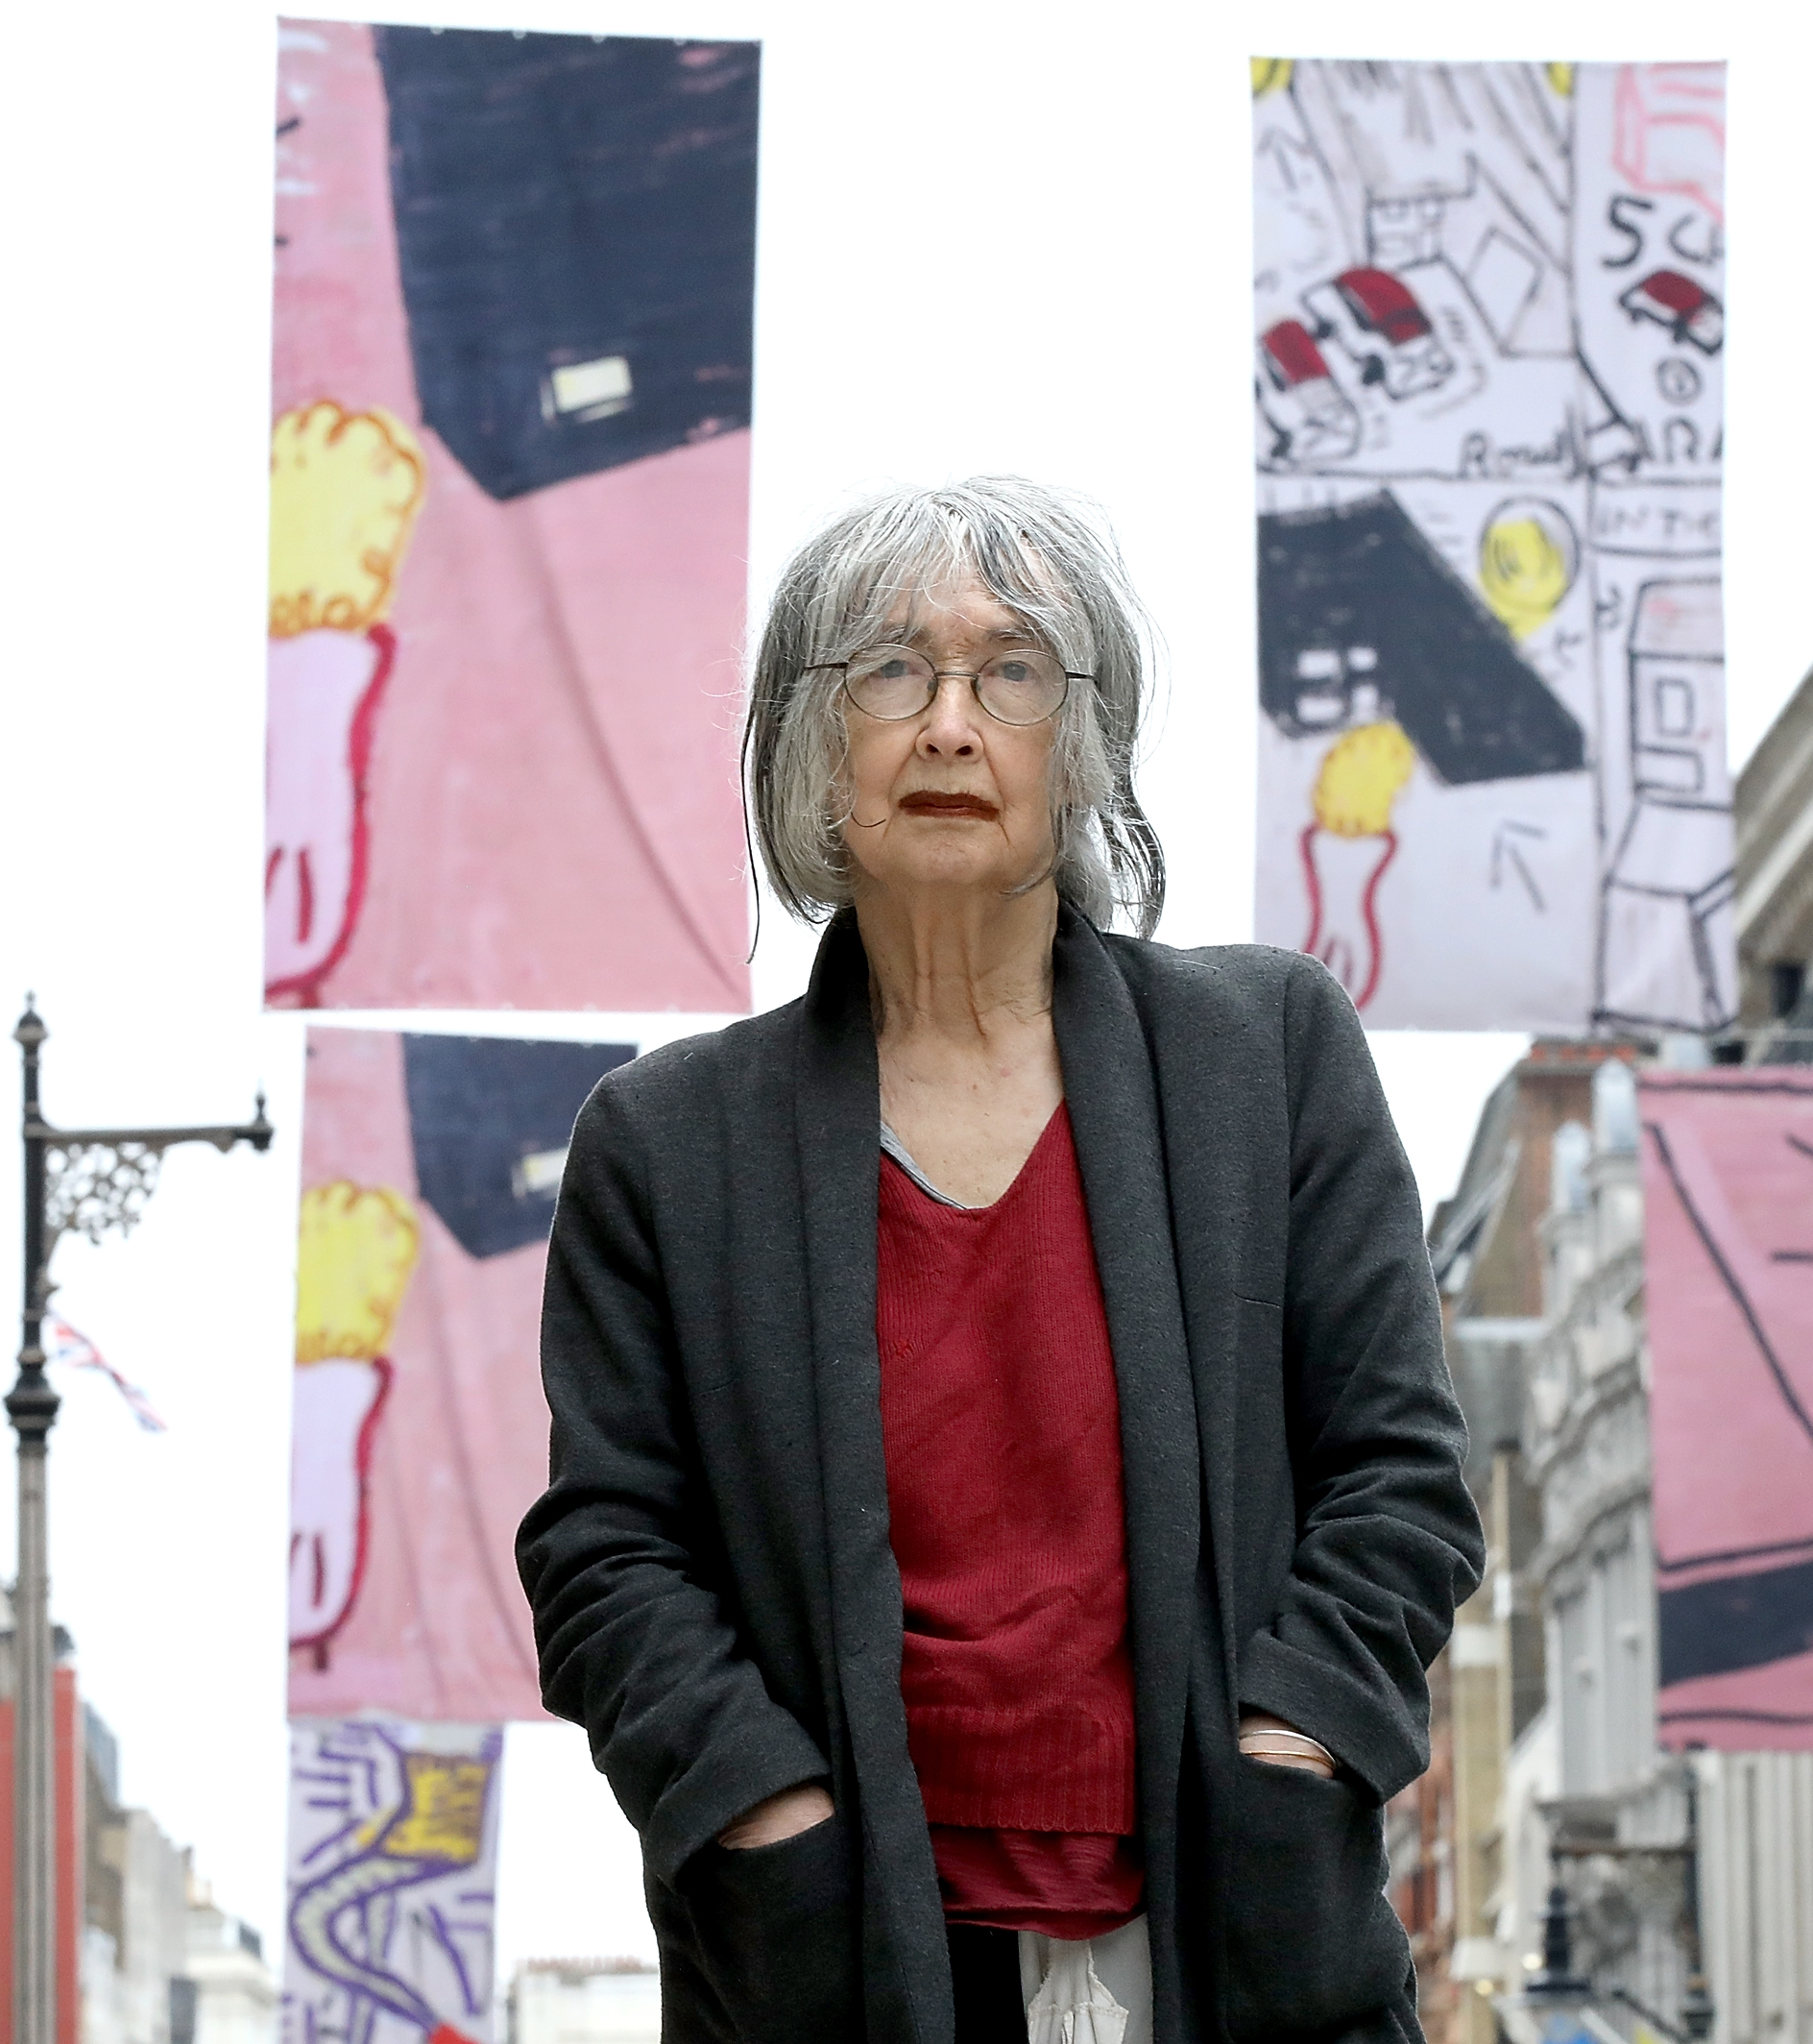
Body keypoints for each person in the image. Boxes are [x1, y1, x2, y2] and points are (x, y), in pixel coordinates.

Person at [518, 478, 1485, 2044]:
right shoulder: (666, 1143)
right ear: (810, 743)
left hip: (1233, 1934)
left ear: (1080, 740)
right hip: (833, 1967)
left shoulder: (1269, 1054)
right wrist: (765, 1821)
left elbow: (1400, 1477)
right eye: (890, 671)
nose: (952, 724)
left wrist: (1293, 1748)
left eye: (1011, 672)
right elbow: (607, 1559)